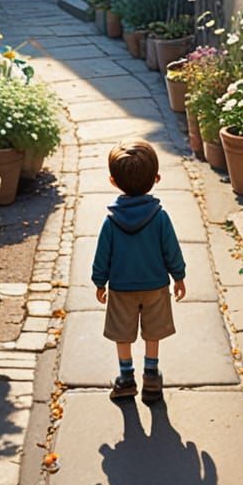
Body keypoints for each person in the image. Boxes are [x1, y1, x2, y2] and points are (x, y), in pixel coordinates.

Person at [91, 139, 186, 404]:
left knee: (122, 333)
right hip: (156, 286)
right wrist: (178, 276)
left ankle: (126, 379)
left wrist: (100, 282)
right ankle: (152, 377)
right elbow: (171, 250)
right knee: (152, 332)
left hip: (121, 288)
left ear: (113, 181)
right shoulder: (160, 217)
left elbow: (102, 256)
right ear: (156, 178)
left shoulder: (110, 222)